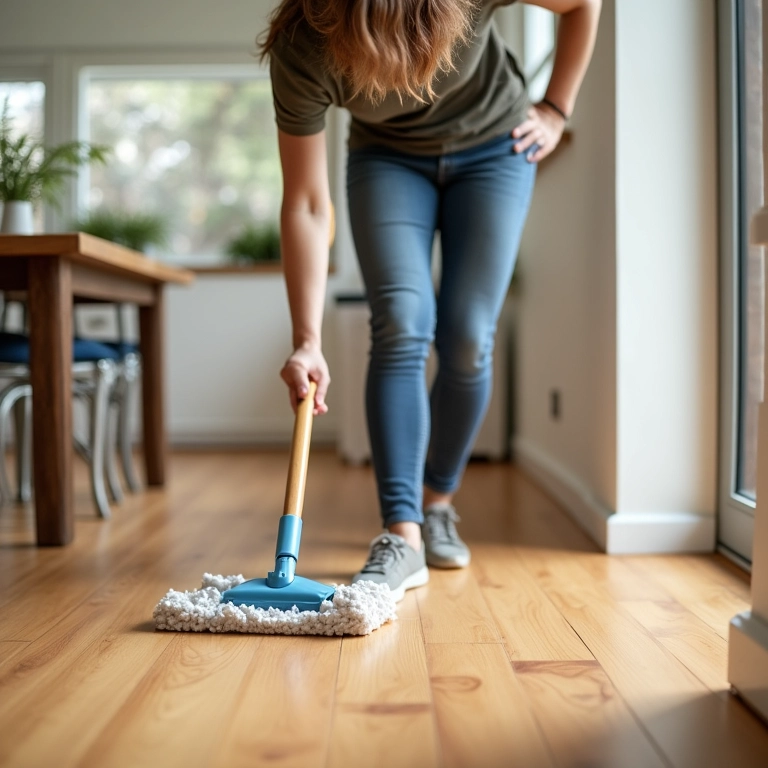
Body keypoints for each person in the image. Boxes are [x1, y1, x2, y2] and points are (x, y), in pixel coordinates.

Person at [263, 0, 601, 601]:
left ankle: (437, 500)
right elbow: (308, 204)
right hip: (386, 160)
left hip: (496, 148)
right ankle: (403, 533)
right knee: (400, 322)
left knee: (469, 337)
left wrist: (555, 108)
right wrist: (307, 339)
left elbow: (582, 4)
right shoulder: (304, 44)